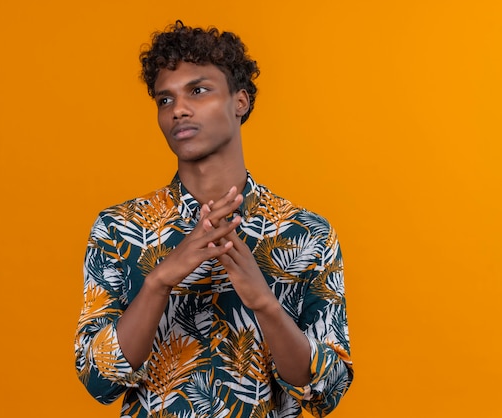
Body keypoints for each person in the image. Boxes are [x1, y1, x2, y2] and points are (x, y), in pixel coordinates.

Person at [75, 21, 353, 418]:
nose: (179, 110)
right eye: (164, 100)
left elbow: (326, 393)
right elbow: (97, 381)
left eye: (198, 90)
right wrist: (159, 281)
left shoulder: (306, 235)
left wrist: (265, 304)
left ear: (240, 102)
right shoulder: (119, 229)